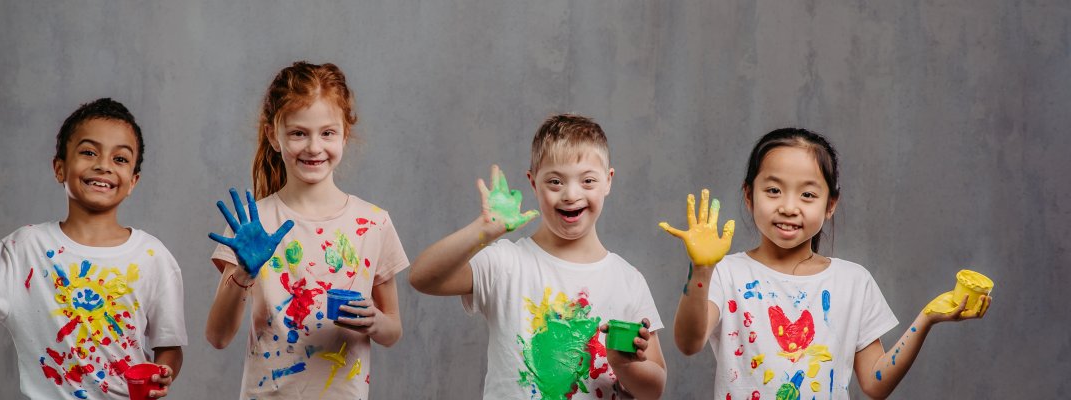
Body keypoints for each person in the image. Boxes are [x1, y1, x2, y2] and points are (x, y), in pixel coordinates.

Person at [666, 127, 992, 399]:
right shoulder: (727, 273)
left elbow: (876, 383)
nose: (789, 207)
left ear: (830, 204)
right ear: (749, 196)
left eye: (807, 195)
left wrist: (927, 319)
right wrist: (702, 269)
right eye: (774, 190)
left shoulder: (852, 281)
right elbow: (689, 342)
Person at [0, 98, 186, 399]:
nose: (103, 165)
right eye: (89, 152)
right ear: (59, 168)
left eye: (120, 159)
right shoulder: (25, 249)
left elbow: (168, 346)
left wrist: (162, 374)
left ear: (133, 181)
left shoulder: (152, 256)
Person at [410, 114, 666, 399]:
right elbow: (423, 278)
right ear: (533, 183)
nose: (571, 194)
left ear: (608, 181)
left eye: (588, 181)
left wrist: (624, 365)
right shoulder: (506, 263)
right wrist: (481, 232)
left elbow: (653, 390)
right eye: (555, 181)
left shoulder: (628, 280)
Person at [205, 61, 409, 399]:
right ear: (274, 135)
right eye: (299, 133)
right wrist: (243, 273)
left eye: (327, 132)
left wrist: (374, 321)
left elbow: (393, 331)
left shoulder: (374, 223)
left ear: (345, 133)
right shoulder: (254, 225)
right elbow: (218, 336)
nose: (314, 147)